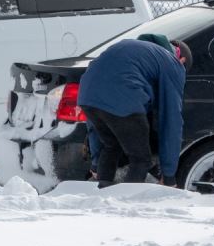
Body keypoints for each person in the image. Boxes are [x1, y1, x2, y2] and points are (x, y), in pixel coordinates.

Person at [78, 34, 192, 188]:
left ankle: (102, 195)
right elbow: (171, 121)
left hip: (86, 95)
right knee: (141, 159)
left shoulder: (134, 49)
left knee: (111, 146)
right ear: (182, 60)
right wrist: (169, 176)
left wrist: (96, 163)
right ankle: (128, 204)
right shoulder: (173, 63)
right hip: (123, 98)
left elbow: (92, 125)